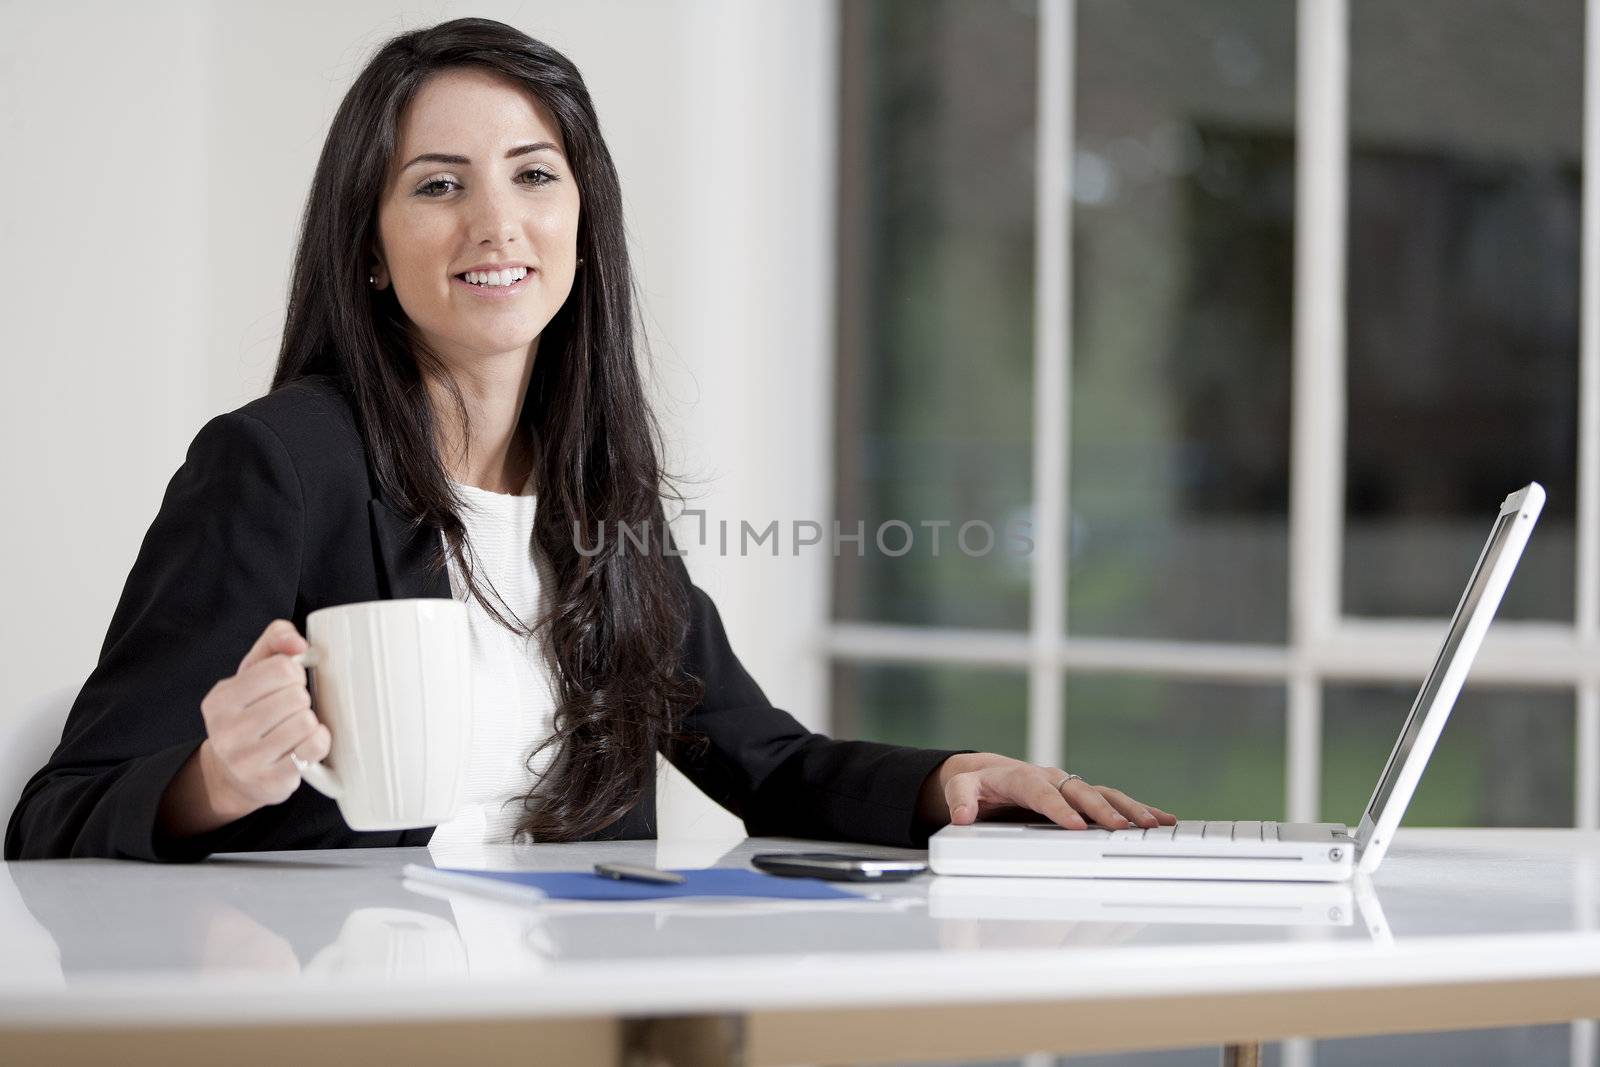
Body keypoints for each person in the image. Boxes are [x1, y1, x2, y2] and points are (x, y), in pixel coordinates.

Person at [3, 17, 1173, 863]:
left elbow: (754, 758)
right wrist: (212, 782)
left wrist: (945, 783)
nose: (495, 222)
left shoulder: (598, 493)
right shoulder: (280, 464)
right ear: (368, 247)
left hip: (584, 1009)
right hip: (353, 1016)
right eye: (437, 185)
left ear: (580, 215)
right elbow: (56, 811)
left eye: (533, 175)